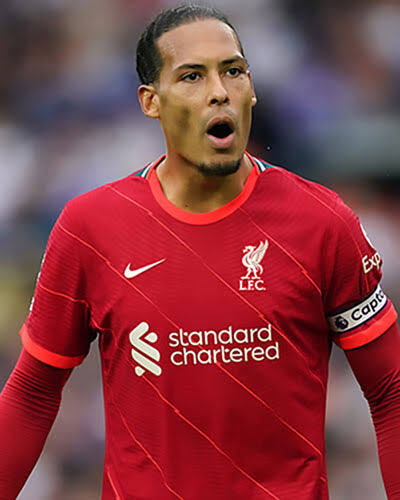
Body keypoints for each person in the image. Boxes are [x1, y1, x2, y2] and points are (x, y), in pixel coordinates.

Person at [0, 4, 399, 499]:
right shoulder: (90, 227)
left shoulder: (322, 222)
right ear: (151, 101)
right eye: (192, 76)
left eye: (233, 71)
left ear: (251, 88)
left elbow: (391, 390)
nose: (219, 91)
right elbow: (34, 392)